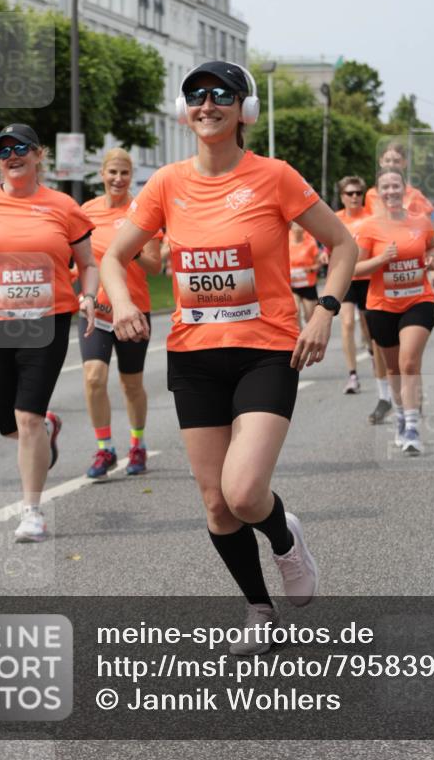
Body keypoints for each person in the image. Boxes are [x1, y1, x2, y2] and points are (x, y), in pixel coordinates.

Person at [100, 60, 357, 652]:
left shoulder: (275, 177)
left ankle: (285, 538)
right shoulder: (165, 184)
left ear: (245, 108)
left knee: (244, 493)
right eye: (195, 95)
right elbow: (116, 257)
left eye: (221, 94)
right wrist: (119, 303)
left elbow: (343, 244)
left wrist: (324, 310)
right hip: (193, 358)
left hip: (265, 351)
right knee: (216, 504)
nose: (206, 104)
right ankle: (258, 608)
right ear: (183, 108)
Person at [0, 124, 98, 542]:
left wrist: (88, 297)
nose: (14, 154)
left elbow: (89, 263)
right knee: (7, 423)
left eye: (22, 147)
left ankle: (32, 512)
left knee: (26, 418)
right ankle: (48, 429)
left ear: (39, 155)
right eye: (5, 150)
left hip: (47, 322)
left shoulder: (63, 205)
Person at [80, 148, 162, 479]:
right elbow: (79, 259)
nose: (118, 179)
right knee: (93, 377)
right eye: (112, 172)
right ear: (102, 173)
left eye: (124, 173)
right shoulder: (86, 211)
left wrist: (136, 252)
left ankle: (137, 444)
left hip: (133, 312)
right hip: (96, 312)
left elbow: (156, 266)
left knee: (131, 384)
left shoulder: (142, 211)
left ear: (132, 176)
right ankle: (105, 449)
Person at [354, 168, 434, 456]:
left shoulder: (421, 221)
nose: (391, 191)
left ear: (404, 189)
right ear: (378, 193)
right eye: (385, 187)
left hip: (419, 300)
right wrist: (381, 259)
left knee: (409, 362)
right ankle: (401, 415)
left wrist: (431, 260)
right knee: (392, 368)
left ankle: (413, 427)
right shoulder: (368, 227)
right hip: (382, 306)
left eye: (395, 185)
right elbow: (354, 269)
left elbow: (433, 249)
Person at [335, 175, 372, 395]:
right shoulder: (336, 218)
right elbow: (326, 241)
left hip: (369, 277)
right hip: (346, 278)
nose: (355, 197)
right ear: (342, 197)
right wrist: (323, 256)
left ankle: (371, 348)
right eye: (350, 193)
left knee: (368, 326)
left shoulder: (372, 217)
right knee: (347, 323)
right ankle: (352, 375)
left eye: (359, 193)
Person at [288, 222, 321, 327]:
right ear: (291, 228)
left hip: (308, 285)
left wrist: (310, 269)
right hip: (292, 285)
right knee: (295, 312)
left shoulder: (310, 243)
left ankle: (310, 338)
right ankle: (299, 340)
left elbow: (318, 265)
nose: (297, 229)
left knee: (309, 318)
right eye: (295, 227)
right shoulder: (286, 240)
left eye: (300, 227)